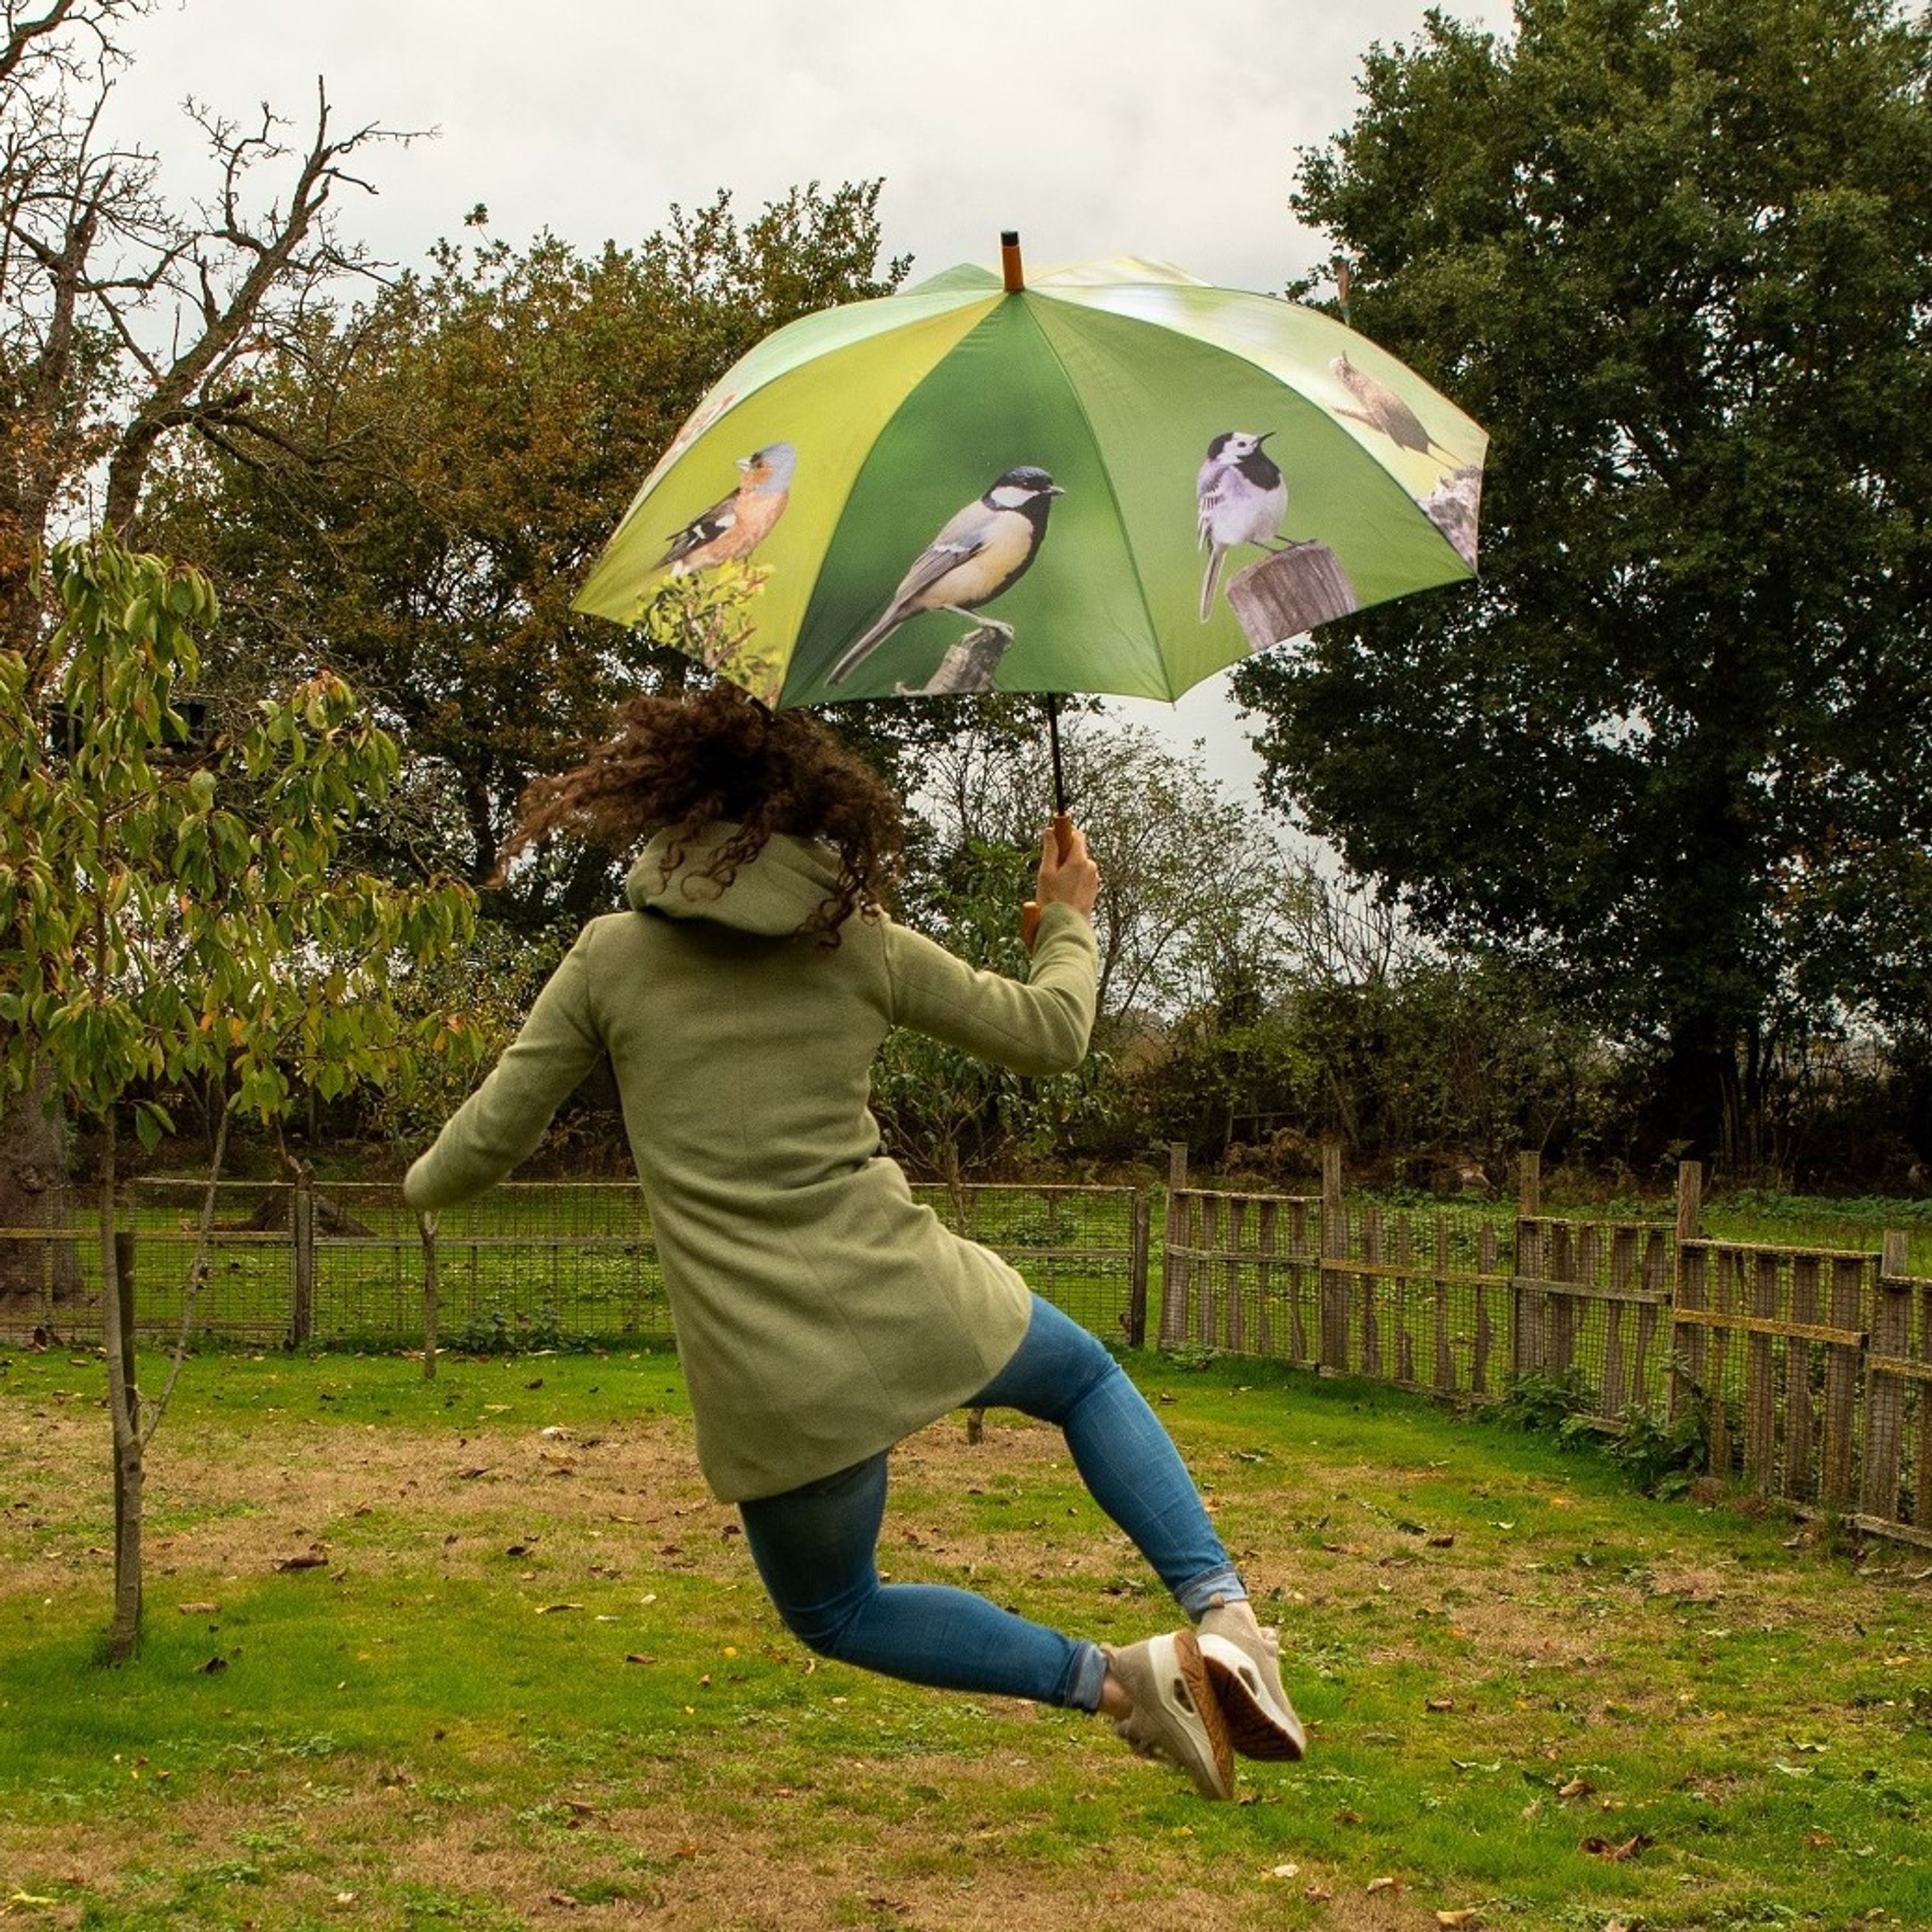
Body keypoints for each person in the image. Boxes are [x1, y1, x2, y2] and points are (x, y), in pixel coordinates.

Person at [402, 683, 1303, 1799]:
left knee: (837, 1609)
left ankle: (1118, 1687)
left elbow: (489, 1140)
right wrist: (1067, 913)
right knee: (1079, 1380)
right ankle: (1224, 1617)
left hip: (773, 1373)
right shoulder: (857, 941)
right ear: (807, 814)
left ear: (671, 809)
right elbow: (1055, 1032)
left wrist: (419, 1185)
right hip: (914, 1294)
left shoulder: (608, 958)